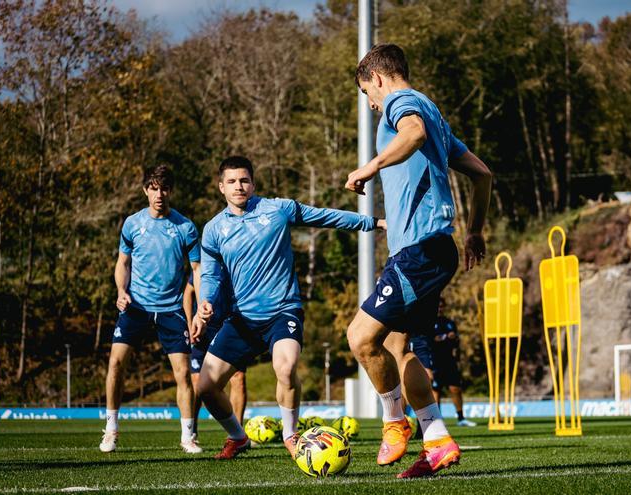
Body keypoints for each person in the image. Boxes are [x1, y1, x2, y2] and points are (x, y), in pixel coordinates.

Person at [345, 43, 492, 478]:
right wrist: (476, 231)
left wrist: (369, 167)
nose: (371, 105)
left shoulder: (401, 103)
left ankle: (395, 422)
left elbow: (412, 135)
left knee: (360, 337)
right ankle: (438, 441)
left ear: (377, 78)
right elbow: (482, 173)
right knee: (395, 346)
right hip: (432, 248)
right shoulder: (436, 114)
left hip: (421, 252)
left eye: (366, 94)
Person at [193, 156, 386, 460]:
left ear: (253, 183)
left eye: (244, 180)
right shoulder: (214, 229)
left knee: (285, 367)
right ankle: (238, 437)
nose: (238, 186)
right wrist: (205, 301)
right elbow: (211, 274)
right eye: (231, 181)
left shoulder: (278, 209)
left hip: (283, 312)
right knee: (205, 387)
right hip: (242, 318)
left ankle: (290, 434)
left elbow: (324, 216)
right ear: (221, 187)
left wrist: (371, 222)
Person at [100, 164, 201, 454]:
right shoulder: (132, 224)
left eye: (164, 188)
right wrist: (121, 291)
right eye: (154, 188)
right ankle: (111, 430)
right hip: (137, 306)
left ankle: (188, 437)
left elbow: (197, 269)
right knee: (116, 363)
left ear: (171, 191)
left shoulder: (185, 227)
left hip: (171, 310)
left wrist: (197, 312)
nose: (159, 194)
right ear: (145, 190)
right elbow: (123, 263)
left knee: (183, 373)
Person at [183, 275, 247, 438]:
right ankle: (192, 429)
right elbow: (188, 292)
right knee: (197, 382)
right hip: (204, 330)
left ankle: (237, 434)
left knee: (238, 378)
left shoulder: (238, 262)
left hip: (232, 328)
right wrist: (190, 321)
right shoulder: (208, 263)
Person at [410, 299, 476, 427]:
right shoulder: (428, 322)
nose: (440, 308)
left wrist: (454, 342)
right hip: (434, 359)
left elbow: (456, 342)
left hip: (449, 361)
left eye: (442, 306)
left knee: (455, 388)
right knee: (435, 389)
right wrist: (445, 337)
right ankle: (436, 418)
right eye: (438, 306)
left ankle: (461, 418)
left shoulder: (449, 323)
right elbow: (429, 340)